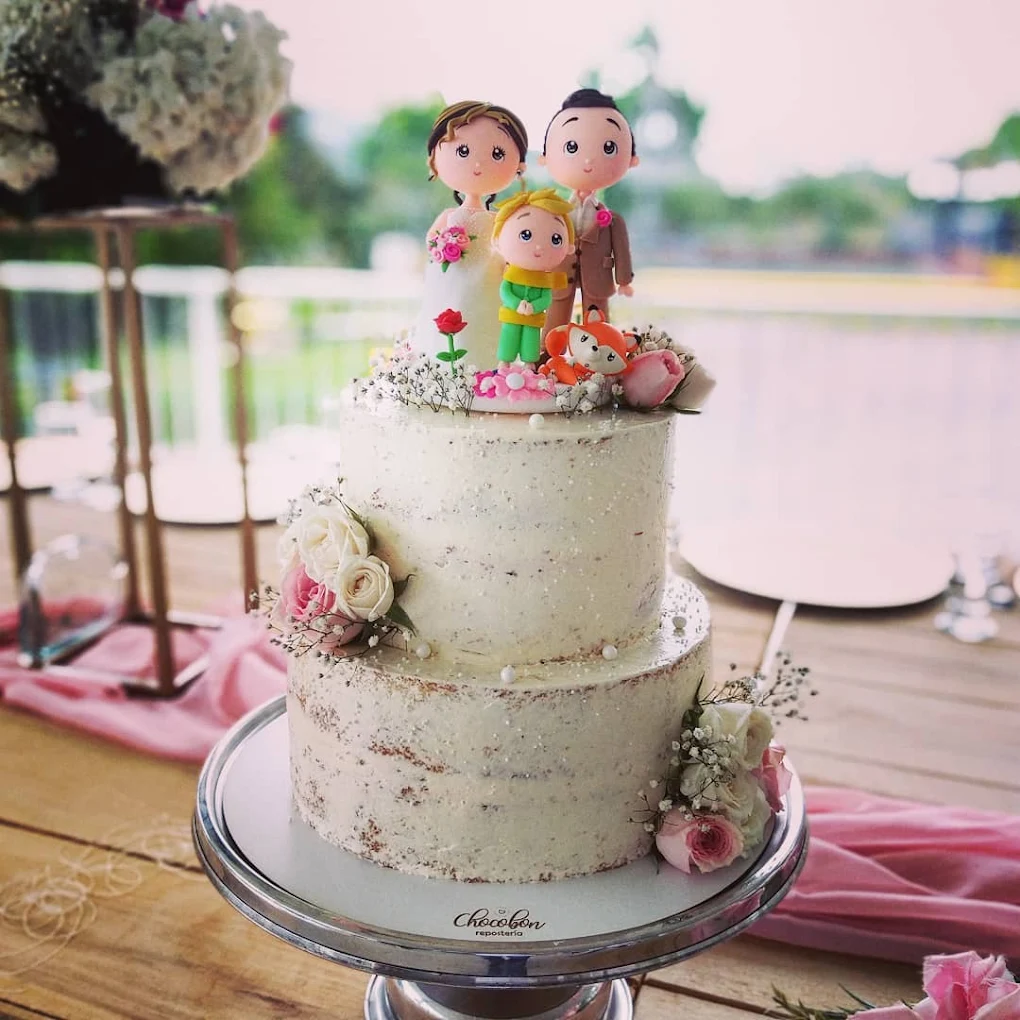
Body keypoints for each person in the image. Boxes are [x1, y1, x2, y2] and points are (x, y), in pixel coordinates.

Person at [410, 100, 529, 368]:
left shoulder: (498, 218)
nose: (477, 164)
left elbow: (506, 245)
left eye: (497, 154)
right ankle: (443, 366)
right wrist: (440, 249)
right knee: (450, 311)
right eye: (462, 150)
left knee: (484, 316)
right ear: (435, 159)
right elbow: (432, 239)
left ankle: (487, 363)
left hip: (489, 275)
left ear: (518, 166)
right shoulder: (449, 216)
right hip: (451, 275)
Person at [539, 88, 639, 333]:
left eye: (609, 148)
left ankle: (599, 359)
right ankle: (547, 355)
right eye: (571, 147)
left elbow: (622, 253)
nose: (588, 162)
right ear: (545, 158)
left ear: (631, 160)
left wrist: (623, 281)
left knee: (598, 323)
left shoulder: (613, 220)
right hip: (560, 277)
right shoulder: (553, 214)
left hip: (598, 279)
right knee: (556, 318)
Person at [491, 189, 574, 365]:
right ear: (498, 239)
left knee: (531, 340)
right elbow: (505, 290)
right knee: (509, 336)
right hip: (512, 314)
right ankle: (504, 362)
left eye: (556, 239)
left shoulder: (544, 280)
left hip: (534, 317)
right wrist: (516, 303)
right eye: (526, 235)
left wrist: (535, 306)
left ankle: (529, 363)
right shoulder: (511, 274)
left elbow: (546, 297)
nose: (538, 248)